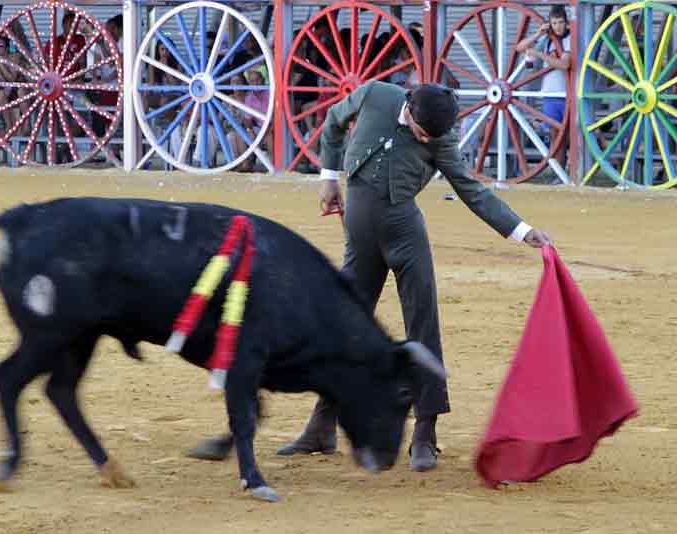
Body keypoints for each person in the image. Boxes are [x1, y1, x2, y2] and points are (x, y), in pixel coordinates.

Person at [186, 81, 552, 470]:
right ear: (408, 106)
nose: (426, 138)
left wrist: (521, 229)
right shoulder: (375, 95)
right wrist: (327, 177)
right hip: (360, 240)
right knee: (338, 329)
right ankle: (321, 427)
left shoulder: (440, 137)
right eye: (422, 131)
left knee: (422, 325)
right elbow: (332, 121)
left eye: (432, 136)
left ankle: (426, 433)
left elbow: (470, 189)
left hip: (406, 237)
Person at [515, 5, 571, 172]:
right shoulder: (546, 39)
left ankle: (567, 174)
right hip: (550, 94)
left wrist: (538, 54)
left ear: (566, 22)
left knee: (568, 136)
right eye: (554, 23)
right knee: (555, 135)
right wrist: (539, 33)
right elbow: (520, 48)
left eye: (561, 22)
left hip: (567, 94)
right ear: (550, 23)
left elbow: (564, 64)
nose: (558, 26)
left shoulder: (570, 39)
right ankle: (559, 174)